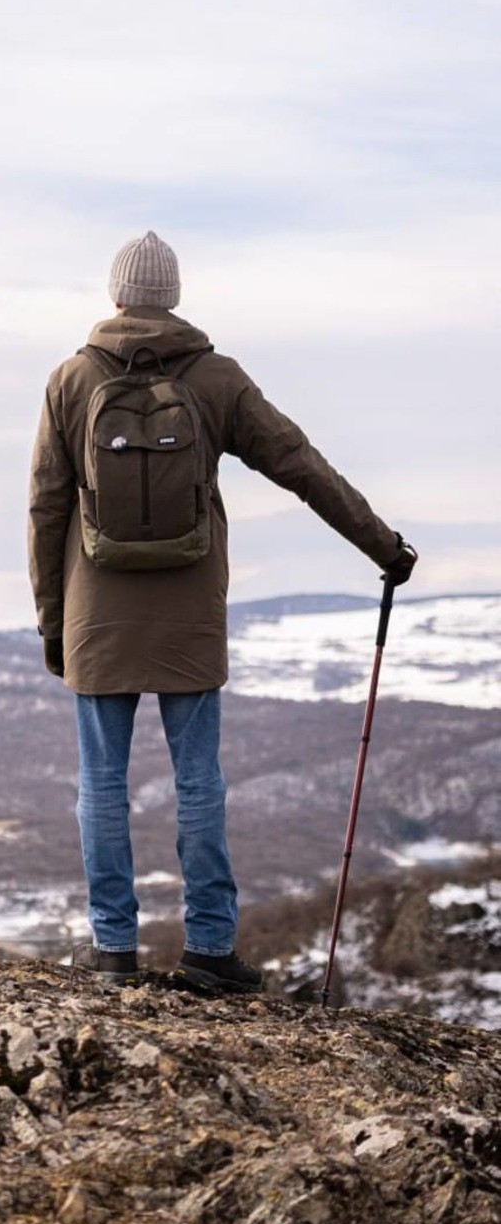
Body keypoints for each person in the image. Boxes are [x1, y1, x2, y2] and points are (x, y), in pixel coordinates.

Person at [27, 231, 417, 993]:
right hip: (190, 612)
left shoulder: (70, 381)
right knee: (198, 780)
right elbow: (300, 465)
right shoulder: (216, 380)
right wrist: (383, 546)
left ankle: (114, 954)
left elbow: (44, 508)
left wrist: (53, 622)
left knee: (100, 783)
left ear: (115, 297)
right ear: (173, 297)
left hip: (94, 616)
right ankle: (209, 949)